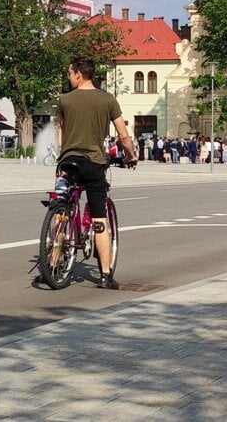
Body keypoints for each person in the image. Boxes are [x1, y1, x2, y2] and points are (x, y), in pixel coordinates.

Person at [54, 57, 138, 289]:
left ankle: (51, 262)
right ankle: (104, 275)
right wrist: (130, 156)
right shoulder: (108, 100)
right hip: (93, 163)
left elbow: (60, 131)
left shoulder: (64, 100)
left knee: (62, 208)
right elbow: (123, 136)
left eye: (70, 73)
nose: (69, 77)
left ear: (79, 74)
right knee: (100, 219)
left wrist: (63, 156)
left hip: (68, 162)